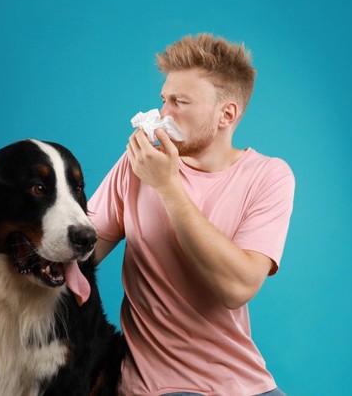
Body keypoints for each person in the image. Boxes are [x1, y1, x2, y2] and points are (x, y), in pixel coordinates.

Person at [89, 33, 295, 396]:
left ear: (226, 114)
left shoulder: (269, 176)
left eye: (180, 102)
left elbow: (237, 287)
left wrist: (168, 187)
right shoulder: (136, 166)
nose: (165, 114)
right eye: (164, 100)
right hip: (158, 387)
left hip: (246, 383)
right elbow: (79, 254)